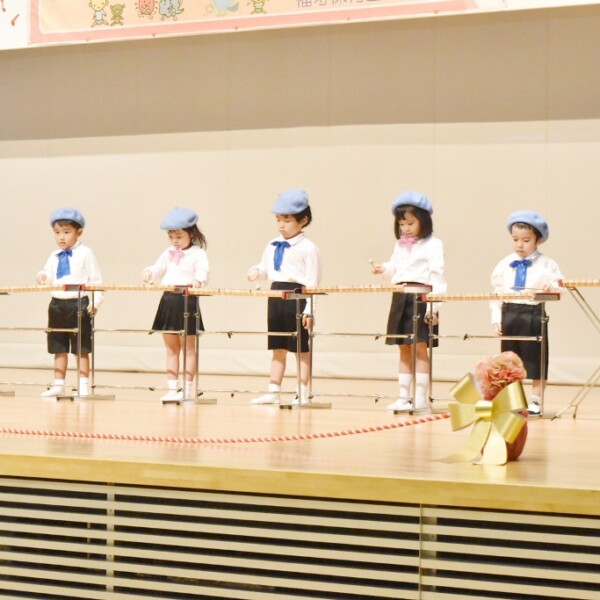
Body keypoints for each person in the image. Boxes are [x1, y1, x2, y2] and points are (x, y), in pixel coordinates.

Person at [372, 191, 446, 411]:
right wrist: (384, 269)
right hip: (401, 296)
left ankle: (421, 398)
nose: (405, 228)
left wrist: (433, 307)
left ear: (424, 220)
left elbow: (437, 276)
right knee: (403, 347)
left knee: (420, 347)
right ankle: (404, 397)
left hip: (421, 298)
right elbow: (395, 267)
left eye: (410, 223)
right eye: (402, 224)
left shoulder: (434, 244)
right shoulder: (400, 244)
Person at [247, 188, 321, 405]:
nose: (281, 225)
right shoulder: (272, 244)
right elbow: (266, 270)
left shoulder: (309, 248)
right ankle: (273, 390)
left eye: (287, 220)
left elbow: (313, 283)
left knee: (300, 347)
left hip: (297, 297)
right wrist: (256, 272)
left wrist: (309, 310)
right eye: (278, 220)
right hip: (275, 296)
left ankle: (302, 391)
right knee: (277, 346)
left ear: (303, 220)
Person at [490, 210, 563, 415]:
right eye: (515, 240)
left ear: (538, 240)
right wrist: (496, 317)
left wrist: (551, 287)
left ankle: (536, 401)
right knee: (510, 361)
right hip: (510, 312)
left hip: (533, 313)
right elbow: (496, 292)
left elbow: (560, 285)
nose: (520, 245)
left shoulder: (546, 264)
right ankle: (514, 400)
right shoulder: (504, 263)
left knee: (536, 358)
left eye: (526, 240)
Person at [143, 207, 209, 402]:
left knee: (188, 348)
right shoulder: (168, 252)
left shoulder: (198, 253)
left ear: (191, 233)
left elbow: (203, 272)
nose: (175, 240)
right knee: (171, 348)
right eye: (171, 236)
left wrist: (198, 281)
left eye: (179, 236)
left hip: (187, 299)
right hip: (169, 299)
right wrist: (149, 273)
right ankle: (173, 387)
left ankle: (187, 389)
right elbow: (158, 268)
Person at [37, 208, 103, 398]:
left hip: (78, 304)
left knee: (81, 347)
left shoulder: (86, 253)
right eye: (57, 232)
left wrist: (95, 302)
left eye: (66, 232)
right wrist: (42, 276)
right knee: (58, 345)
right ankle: (59, 384)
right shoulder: (54, 255)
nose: (61, 237)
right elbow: (48, 275)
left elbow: (96, 281)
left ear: (79, 232)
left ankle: (83, 384)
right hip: (57, 304)